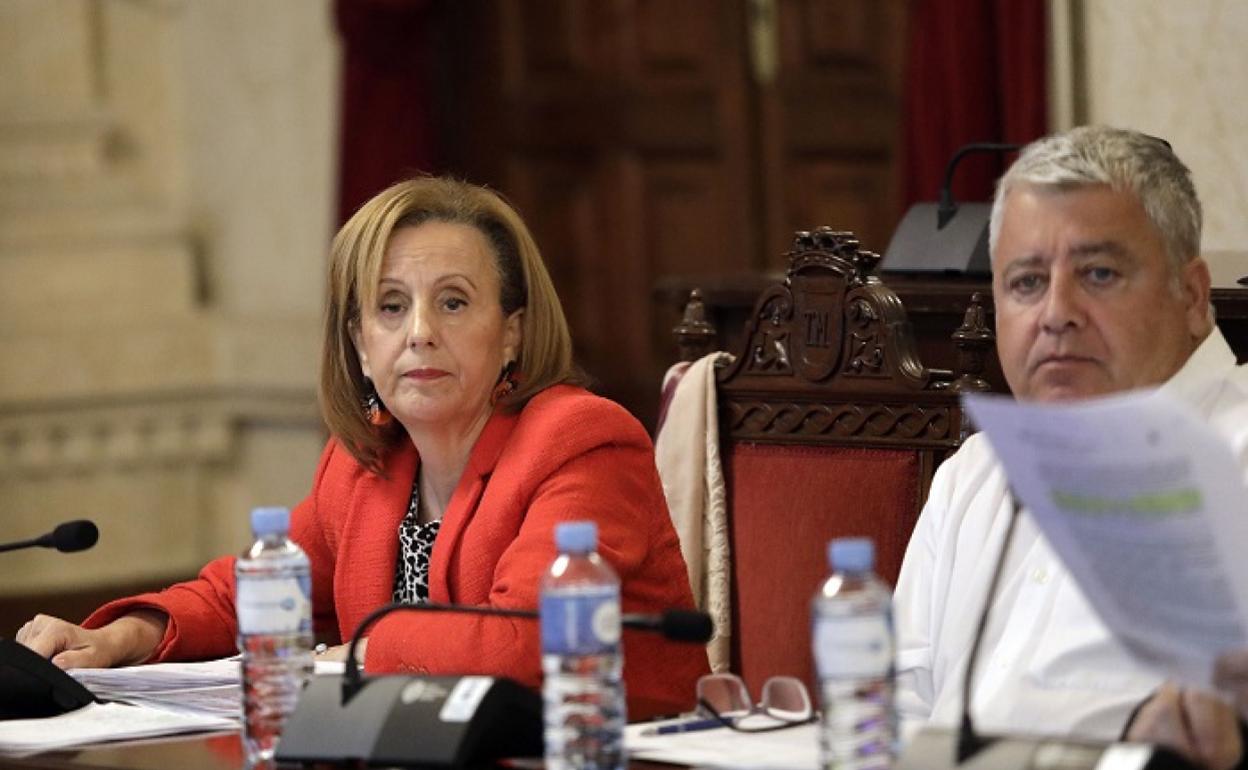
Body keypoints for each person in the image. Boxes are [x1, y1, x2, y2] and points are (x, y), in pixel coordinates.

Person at [15, 176, 709, 711]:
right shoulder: (367, 461)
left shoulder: (581, 441)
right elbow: (254, 597)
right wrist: (125, 637)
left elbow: (525, 645)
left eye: (455, 302)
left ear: (513, 333)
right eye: (390, 306)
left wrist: (352, 654)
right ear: (360, 343)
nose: (419, 333)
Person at [892, 126, 1248, 769]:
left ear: (1192, 296)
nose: (1056, 312)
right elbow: (898, 710)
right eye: (1026, 282)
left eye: (1099, 273)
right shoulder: (973, 474)